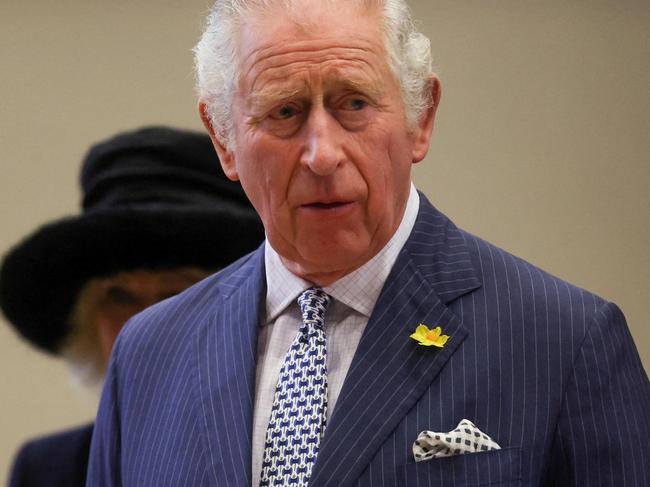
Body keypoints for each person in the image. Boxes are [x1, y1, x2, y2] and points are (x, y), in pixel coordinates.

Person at [87, 1, 650, 486]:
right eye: (284, 112)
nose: (322, 154)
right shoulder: (148, 354)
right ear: (224, 140)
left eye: (353, 103)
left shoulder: (565, 342)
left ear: (420, 118)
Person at [0, 126, 264, 487]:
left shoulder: (283, 450)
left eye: (176, 294)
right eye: (118, 296)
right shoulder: (48, 470)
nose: (143, 320)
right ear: (87, 321)